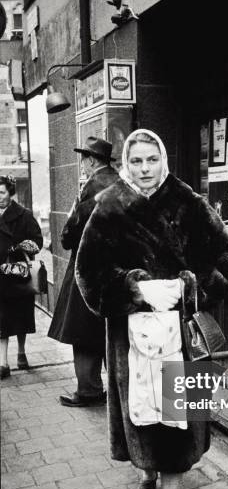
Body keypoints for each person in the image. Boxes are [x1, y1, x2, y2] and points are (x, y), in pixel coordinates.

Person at [75, 129, 228, 489]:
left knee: (173, 423)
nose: (145, 169)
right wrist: (133, 288)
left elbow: (222, 262)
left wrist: (187, 286)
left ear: (162, 159)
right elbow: (88, 274)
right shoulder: (108, 205)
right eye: (138, 161)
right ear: (127, 163)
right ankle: (145, 473)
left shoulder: (186, 200)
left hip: (176, 335)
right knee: (143, 417)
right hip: (129, 337)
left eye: (152, 160)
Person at [48, 137, 118, 407]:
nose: (83, 165)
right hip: (116, 272)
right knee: (112, 333)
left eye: (84, 160)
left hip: (89, 271)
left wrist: (66, 234)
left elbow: (71, 232)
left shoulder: (91, 188)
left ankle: (89, 390)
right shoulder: (123, 184)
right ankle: (119, 391)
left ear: (90, 160)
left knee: (84, 333)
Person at [0, 175, 43, 379]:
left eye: (1, 193)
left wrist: (21, 247)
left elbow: (37, 241)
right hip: (1, 276)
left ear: (10, 193)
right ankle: (3, 363)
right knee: (2, 320)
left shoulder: (24, 215)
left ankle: (21, 351)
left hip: (19, 275)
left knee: (21, 316)